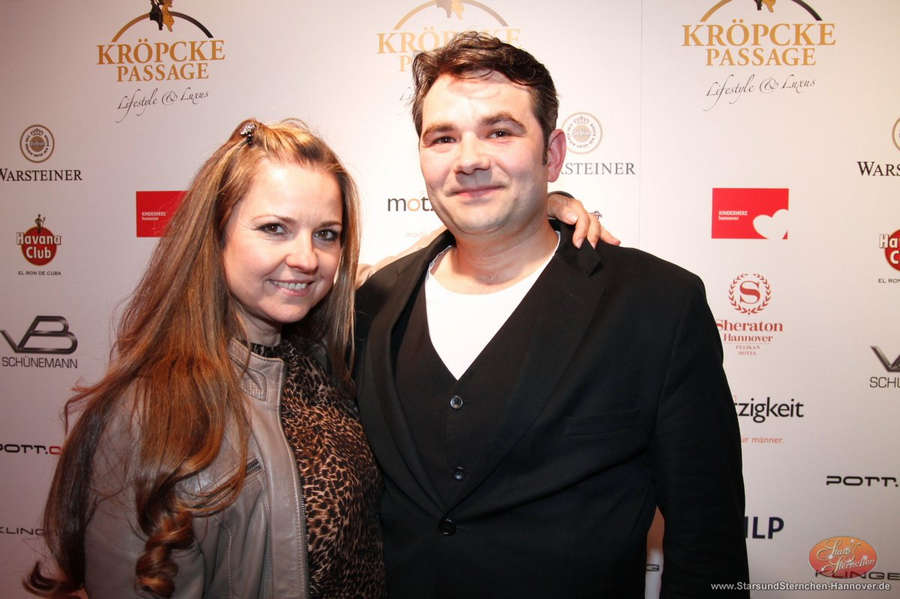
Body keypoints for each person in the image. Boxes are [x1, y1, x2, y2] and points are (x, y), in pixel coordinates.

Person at [25, 117, 605, 599]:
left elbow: (410, 273)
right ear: (215, 234)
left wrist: (529, 211)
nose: (306, 258)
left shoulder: (326, 353)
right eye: (274, 228)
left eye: (326, 234)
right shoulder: (152, 411)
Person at [355, 32, 749, 597]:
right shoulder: (373, 304)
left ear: (554, 154)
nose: (470, 160)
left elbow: (708, 539)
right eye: (443, 138)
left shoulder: (656, 305)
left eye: (500, 131)